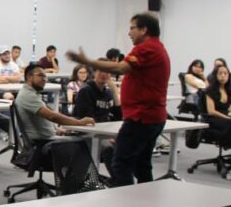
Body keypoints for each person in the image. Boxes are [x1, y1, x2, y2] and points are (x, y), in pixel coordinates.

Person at [67, 12, 171, 186]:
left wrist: (87, 61)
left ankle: (126, 205)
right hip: (153, 116)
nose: (129, 33)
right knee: (142, 165)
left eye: (132, 28)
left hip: (141, 117)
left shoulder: (147, 48)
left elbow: (121, 67)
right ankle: (147, 205)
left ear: (144, 29)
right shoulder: (157, 47)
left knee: (121, 163)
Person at [13, 64, 94, 142]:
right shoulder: (28, 95)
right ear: (29, 77)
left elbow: (44, 120)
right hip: (42, 143)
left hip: (46, 139)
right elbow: (52, 116)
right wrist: (79, 123)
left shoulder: (31, 93)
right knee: (86, 141)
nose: (45, 79)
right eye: (41, 75)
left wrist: (57, 130)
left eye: (45, 76)